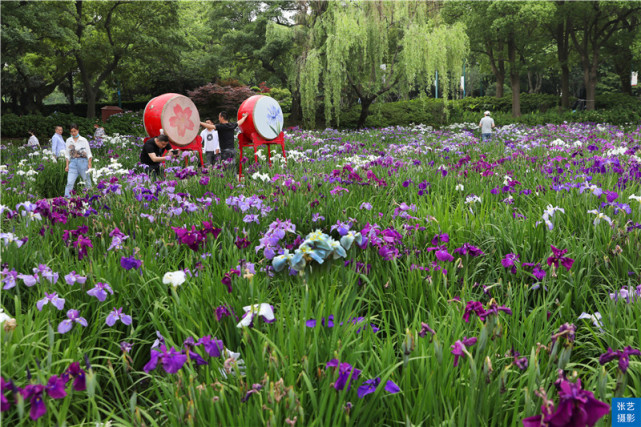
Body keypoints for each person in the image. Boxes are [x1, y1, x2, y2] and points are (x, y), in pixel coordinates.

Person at [64, 124, 93, 198]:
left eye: (75, 131)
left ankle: (91, 197)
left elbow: (89, 153)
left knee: (87, 181)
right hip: (73, 163)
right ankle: (67, 200)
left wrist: (89, 163)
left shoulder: (83, 140)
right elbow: (67, 154)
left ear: (78, 130)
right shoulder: (68, 140)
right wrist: (67, 165)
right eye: (72, 132)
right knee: (69, 182)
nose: (73, 133)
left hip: (83, 162)